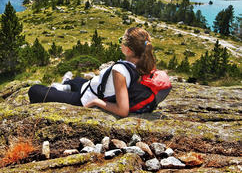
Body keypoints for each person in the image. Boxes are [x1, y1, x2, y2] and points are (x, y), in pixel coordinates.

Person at [28, 27, 156, 118]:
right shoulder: (145, 64)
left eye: (120, 41)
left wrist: (96, 102)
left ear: (128, 50)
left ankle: (60, 88)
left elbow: (123, 110)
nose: (119, 43)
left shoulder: (120, 71)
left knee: (34, 90)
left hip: (84, 98)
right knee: (77, 80)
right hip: (90, 86)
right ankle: (66, 84)